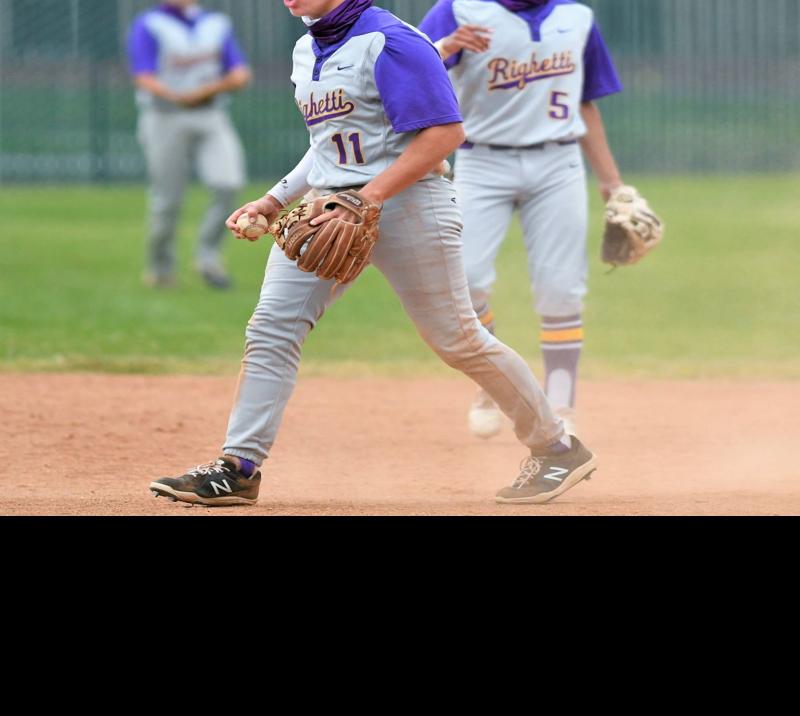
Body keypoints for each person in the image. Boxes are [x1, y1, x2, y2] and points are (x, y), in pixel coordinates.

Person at [148, 0, 595, 507]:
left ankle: (556, 447)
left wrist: (368, 198)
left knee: (459, 339)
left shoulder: (393, 41)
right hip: (328, 210)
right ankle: (239, 467)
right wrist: (275, 199)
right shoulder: (305, 46)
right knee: (272, 325)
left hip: (410, 204)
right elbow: (327, 145)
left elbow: (445, 134)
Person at [418, 0, 628, 441]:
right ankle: (494, 384)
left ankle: (561, 406)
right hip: (481, 161)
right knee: (466, 282)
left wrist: (612, 183)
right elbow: (408, 70)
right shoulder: (457, 10)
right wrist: (446, 46)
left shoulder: (577, 17)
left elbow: (585, 104)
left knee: (561, 290)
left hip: (559, 161)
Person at [128, 0, 251, 289]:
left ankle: (208, 257)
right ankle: (161, 268)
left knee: (228, 183)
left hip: (211, 113)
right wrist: (177, 96)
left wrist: (209, 90)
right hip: (163, 116)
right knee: (167, 198)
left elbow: (240, 73)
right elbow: (143, 76)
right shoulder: (149, 24)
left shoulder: (215, 24)